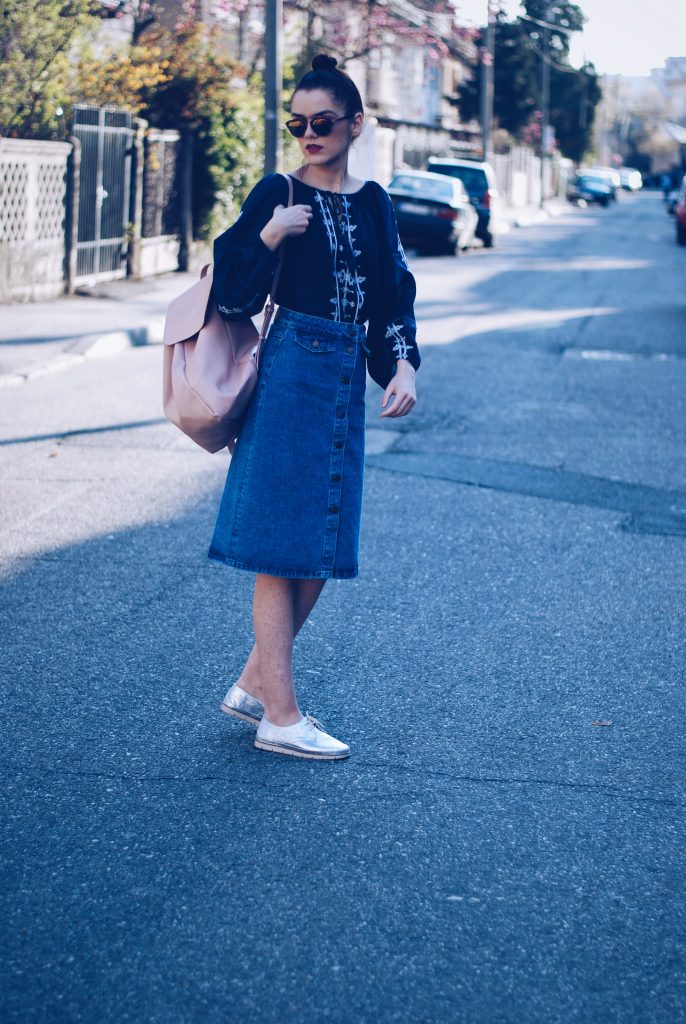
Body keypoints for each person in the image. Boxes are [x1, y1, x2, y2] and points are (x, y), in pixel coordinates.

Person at [208, 54, 420, 761]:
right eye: (296, 123)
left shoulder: (374, 201)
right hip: (292, 368)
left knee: (322, 545)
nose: (308, 132)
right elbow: (230, 288)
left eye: (321, 121)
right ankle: (281, 714)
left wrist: (403, 364)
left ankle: (251, 683)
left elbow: (392, 292)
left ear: (355, 123)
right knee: (281, 548)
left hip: (341, 379)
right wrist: (270, 235)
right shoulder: (278, 189)